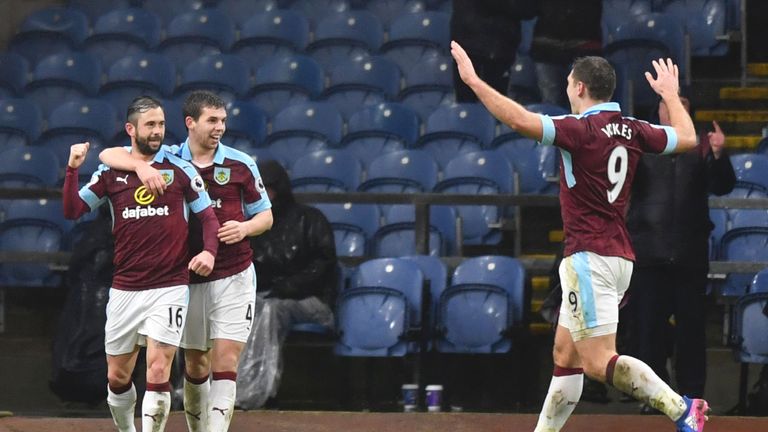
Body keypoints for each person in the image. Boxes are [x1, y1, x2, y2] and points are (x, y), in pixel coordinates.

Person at [451, 39, 709, 432]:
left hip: (590, 258)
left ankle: (681, 408)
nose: (568, 89)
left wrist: (473, 81)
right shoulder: (634, 129)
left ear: (579, 88)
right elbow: (689, 139)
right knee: (565, 353)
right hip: (618, 256)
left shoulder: (580, 129)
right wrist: (671, 96)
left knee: (599, 362)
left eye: (570, 83)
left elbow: (521, 120)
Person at [99, 90, 273, 432]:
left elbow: (266, 216)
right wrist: (137, 164)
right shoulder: (168, 158)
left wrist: (246, 227)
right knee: (196, 364)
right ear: (191, 123)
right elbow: (108, 154)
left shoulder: (240, 164)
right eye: (213, 120)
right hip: (188, 278)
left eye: (223, 120)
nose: (220, 127)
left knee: (226, 360)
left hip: (235, 274)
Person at [63, 96, 219, 432]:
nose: (157, 131)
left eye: (161, 124)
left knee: (159, 369)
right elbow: (74, 210)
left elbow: (208, 218)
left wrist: (208, 252)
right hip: (125, 288)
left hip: (170, 286)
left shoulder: (179, 169)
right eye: (150, 125)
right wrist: (73, 169)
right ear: (131, 129)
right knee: (117, 376)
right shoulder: (111, 173)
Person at [624, 97, 736, 410]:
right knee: (649, 332)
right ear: (657, 110)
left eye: (681, 103)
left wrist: (719, 155)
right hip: (649, 255)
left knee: (691, 332)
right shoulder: (643, 146)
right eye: (667, 102)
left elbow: (723, 185)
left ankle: (692, 398)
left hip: (689, 257)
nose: (673, 108)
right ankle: (653, 397)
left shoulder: (701, 148)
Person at [236, 159, 336, 408]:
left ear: (279, 188)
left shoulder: (310, 219)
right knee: (244, 309)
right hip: (266, 297)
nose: (263, 194)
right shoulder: (255, 224)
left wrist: (292, 286)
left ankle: (262, 390)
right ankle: (227, 388)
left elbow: (324, 265)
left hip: (313, 303)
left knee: (272, 309)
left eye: (267, 188)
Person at [450, 0, 536, 102]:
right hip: (469, 46)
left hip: (501, 50)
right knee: (467, 104)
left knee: (498, 105)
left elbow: (529, 10)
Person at [530, 0, 603, 108]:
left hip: (584, 48)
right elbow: (527, 10)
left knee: (583, 103)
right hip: (547, 49)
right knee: (551, 105)